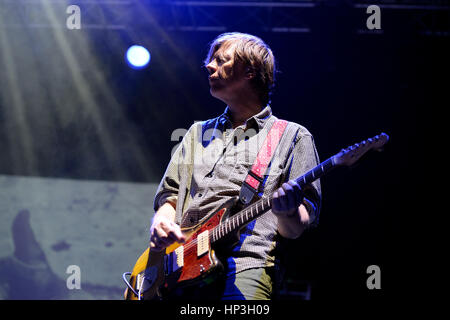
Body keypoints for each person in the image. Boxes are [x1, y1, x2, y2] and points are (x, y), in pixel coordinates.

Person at [149, 32, 321, 300]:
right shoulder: (196, 132)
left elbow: (296, 228)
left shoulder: (293, 136)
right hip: (181, 265)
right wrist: (161, 222)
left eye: (220, 60)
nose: (209, 66)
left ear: (249, 71)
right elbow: (169, 196)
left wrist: (288, 212)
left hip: (246, 264)